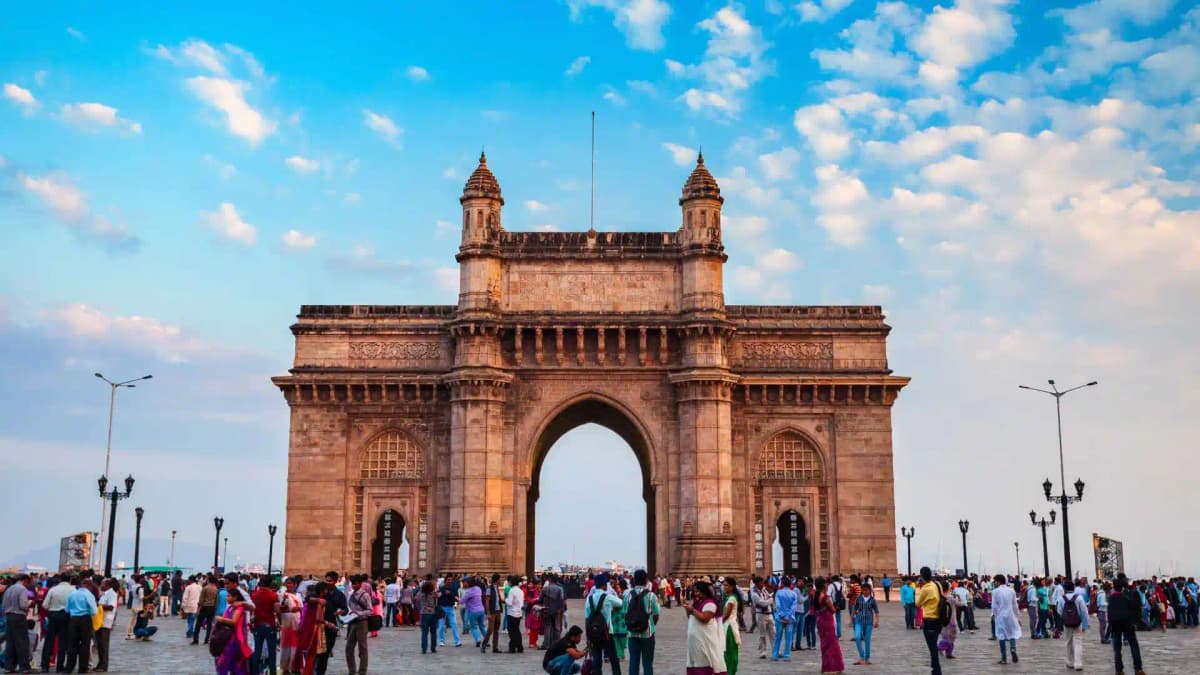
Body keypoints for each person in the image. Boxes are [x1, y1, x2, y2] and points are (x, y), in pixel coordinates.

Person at [683, 580, 725, 675]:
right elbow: (691, 617)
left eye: (697, 591)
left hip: (704, 641)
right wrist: (688, 609)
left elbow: (705, 618)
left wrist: (692, 610)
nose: (695, 593)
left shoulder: (710, 603)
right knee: (697, 663)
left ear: (704, 591)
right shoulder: (698, 602)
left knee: (704, 663)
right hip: (696, 641)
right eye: (694, 591)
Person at [583, 573, 622, 674]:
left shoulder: (589, 599)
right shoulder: (608, 597)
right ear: (604, 585)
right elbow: (620, 603)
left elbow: (587, 619)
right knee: (613, 658)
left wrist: (588, 636)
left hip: (593, 632)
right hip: (607, 631)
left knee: (596, 658)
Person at [624, 569, 660, 675]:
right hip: (647, 634)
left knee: (633, 663)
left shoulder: (628, 595)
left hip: (632, 634)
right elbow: (656, 614)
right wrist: (650, 625)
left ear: (634, 580)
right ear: (646, 581)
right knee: (647, 663)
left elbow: (624, 614)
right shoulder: (651, 596)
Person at [214, 584, 252, 675]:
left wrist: (221, 619)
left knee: (231, 661)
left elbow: (234, 621)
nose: (226, 598)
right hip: (228, 637)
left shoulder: (239, 608)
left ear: (235, 597)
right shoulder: (230, 607)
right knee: (229, 661)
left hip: (235, 638)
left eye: (228, 596)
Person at [62, 578, 98, 673]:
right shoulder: (89, 595)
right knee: (85, 644)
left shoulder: (72, 594)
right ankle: (82, 668)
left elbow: (66, 609)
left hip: (73, 620)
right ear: (90, 586)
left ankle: (69, 667)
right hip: (85, 619)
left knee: (72, 644)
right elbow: (94, 611)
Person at [3, 574, 34, 672]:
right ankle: (24, 667)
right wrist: (29, 604)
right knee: (22, 642)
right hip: (19, 617)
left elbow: (4, 604)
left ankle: (9, 666)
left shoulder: (9, 589)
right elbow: (23, 604)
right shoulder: (22, 589)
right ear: (24, 580)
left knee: (10, 642)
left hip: (9, 616)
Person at [814, 577, 844, 674]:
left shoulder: (816, 595)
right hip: (827, 621)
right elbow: (833, 610)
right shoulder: (825, 597)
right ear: (824, 585)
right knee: (832, 644)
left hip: (820, 621)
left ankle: (826, 667)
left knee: (824, 644)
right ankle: (833, 668)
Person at [990, 574, 1021, 664]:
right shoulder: (1011, 591)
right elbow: (1015, 606)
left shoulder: (995, 592)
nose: (994, 583)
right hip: (1010, 615)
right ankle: (1012, 648)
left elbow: (994, 606)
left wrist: (994, 616)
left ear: (998, 581)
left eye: (995, 581)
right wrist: (1018, 617)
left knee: (1001, 636)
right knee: (1012, 634)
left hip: (1000, 616)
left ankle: (1004, 658)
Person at [916, 567, 942, 675]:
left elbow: (917, 603)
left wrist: (918, 588)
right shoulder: (937, 585)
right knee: (934, 645)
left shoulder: (925, 589)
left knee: (932, 648)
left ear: (922, 576)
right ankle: (934, 667)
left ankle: (936, 670)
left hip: (929, 620)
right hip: (939, 619)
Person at [345, 574, 372, 675]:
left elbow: (370, 610)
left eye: (355, 584)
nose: (353, 586)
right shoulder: (352, 594)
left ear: (360, 584)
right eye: (352, 584)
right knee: (349, 647)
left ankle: (362, 671)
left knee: (362, 648)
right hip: (352, 623)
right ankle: (352, 670)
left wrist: (359, 613)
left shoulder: (364, 595)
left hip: (362, 622)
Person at [1058, 580, 1088, 671]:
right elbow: (1084, 611)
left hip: (1067, 624)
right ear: (1073, 588)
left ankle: (1070, 662)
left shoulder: (1061, 598)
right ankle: (1078, 663)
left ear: (1065, 588)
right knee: (1078, 642)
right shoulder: (1079, 598)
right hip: (1077, 623)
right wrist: (1085, 624)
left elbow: (1059, 611)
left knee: (1068, 642)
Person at [851, 581, 879, 665]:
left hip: (869, 622)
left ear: (870, 591)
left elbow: (876, 611)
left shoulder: (873, 600)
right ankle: (861, 656)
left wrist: (877, 621)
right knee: (857, 637)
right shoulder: (859, 598)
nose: (865, 592)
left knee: (867, 640)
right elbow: (855, 609)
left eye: (867, 590)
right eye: (863, 590)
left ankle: (867, 658)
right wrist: (851, 619)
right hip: (859, 621)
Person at [278, 577, 303, 671]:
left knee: (296, 644)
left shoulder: (299, 595)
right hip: (287, 621)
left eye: (290, 583)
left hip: (297, 620)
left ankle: (295, 666)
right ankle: (285, 667)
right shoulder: (283, 595)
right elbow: (280, 608)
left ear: (295, 584)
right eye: (287, 583)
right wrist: (284, 601)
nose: (289, 585)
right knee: (286, 644)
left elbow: (302, 607)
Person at [95, 578, 118, 672]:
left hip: (106, 621)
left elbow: (111, 606)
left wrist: (98, 605)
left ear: (107, 585)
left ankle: (104, 665)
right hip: (100, 620)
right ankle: (100, 663)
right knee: (99, 644)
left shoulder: (111, 594)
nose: (101, 585)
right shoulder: (105, 594)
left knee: (104, 644)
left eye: (102, 584)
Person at [720, 578, 741, 675]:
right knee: (726, 650)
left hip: (729, 626)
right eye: (724, 585)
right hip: (727, 625)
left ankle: (730, 671)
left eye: (726, 585)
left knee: (730, 650)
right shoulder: (728, 597)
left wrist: (717, 623)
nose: (724, 587)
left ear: (732, 587)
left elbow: (726, 615)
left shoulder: (732, 598)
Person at [771, 578, 795, 661]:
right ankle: (786, 655)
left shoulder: (778, 593)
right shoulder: (793, 594)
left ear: (783, 584)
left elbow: (778, 605)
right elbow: (793, 607)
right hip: (790, 618)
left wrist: (782, 615)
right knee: (788, 638)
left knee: (778, 637)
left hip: (779, 618)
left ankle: (775, 654)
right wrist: (788, 616)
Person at [749, 577, 774, 659]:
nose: (762, 584)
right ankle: (762, 652)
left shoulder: (764, 590)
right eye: (761, 583)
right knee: (762, 634)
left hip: (769, 614)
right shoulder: (754, 594)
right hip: (761, 615)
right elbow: (762, 603)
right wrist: (770, 600)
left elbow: (768, 597)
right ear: (756, 583)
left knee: (773, 633)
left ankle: (775, 650)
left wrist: (770, 597)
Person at [542, 574, 566, 649]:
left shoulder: (545, 588)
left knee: (547, 627)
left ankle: (546, 644)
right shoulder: (559, 589)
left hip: (547, 609)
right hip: (557, 610)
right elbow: (561, 600)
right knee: (557, 627)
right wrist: (561, 610)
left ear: (550, 580)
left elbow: (540, 599)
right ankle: (557, 643)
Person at [194, 575, 219, 645]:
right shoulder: (216, 589)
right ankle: (207, 639)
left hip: (204, 607)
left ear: (208, 580)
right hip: (212, 608)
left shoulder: (205, 588)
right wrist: (215, 609)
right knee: (209, 625)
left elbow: (201, 600)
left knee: (198, 624)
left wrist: (198, 610)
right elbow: (217, 601)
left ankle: (196, 639)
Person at [436, 576, 461, 648]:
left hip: (451, 608)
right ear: (445, 581)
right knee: (441, 626)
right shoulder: (441, 588)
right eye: (448, 580)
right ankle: (441, 641)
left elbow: (457, 599)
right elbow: (438, 596)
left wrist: (450, 594)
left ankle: (457, 641)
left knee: (454, 625)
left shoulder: (454, 589)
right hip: (442, 608)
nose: (450, 581)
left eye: (451, 580)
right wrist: (441, 593)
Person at [482, 574, 504, 654]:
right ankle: (484, 645)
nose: (500, 580)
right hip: (492, 612)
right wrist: (488, 613)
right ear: (497, 580)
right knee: (490, 630)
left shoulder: (496, 588)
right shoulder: (489, 588)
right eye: (499, 579)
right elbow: (487, 601)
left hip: (497, 611)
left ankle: (495, 647)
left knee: (496, 630)